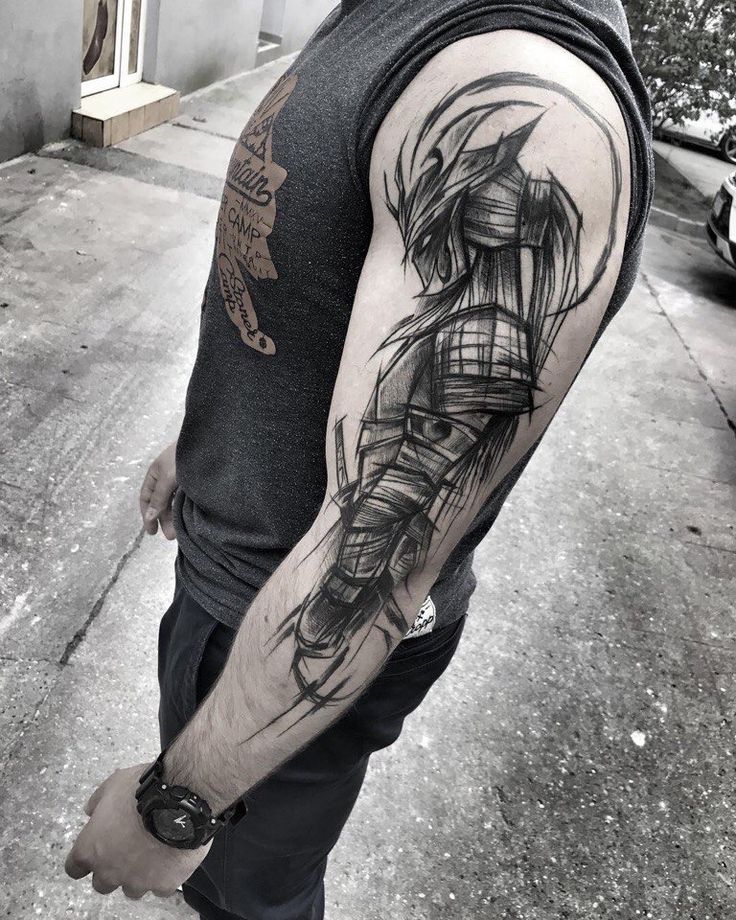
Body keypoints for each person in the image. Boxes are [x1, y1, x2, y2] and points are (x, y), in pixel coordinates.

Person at [64, 0, 653, 917]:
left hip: (283, 642)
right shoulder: (398, 16)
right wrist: (210, 433)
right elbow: (309, 287)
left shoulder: (529, 103)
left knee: (251, 902)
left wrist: (173, 806)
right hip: (238, 588)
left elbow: (375, 556)